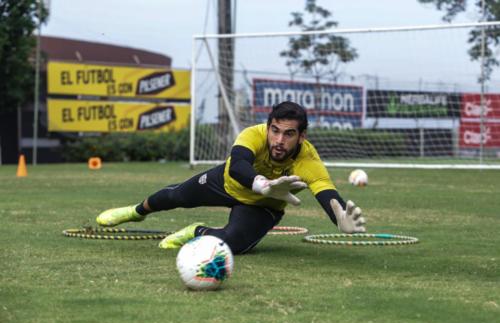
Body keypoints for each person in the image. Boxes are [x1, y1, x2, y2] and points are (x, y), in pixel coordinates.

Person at [96, 101, 366, 254]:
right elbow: (238, 165)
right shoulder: (254, 134)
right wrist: (263, 184)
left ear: (302, 136)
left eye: (289, 134)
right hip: (226, 182)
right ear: (268, 126)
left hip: (263, 207)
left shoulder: (308, 160)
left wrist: (339, 219)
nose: (279, 140)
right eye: (275, 130)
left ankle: (194, 231)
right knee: (175, 195)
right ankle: (134, 212)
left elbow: (327, 195)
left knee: (234, 245)